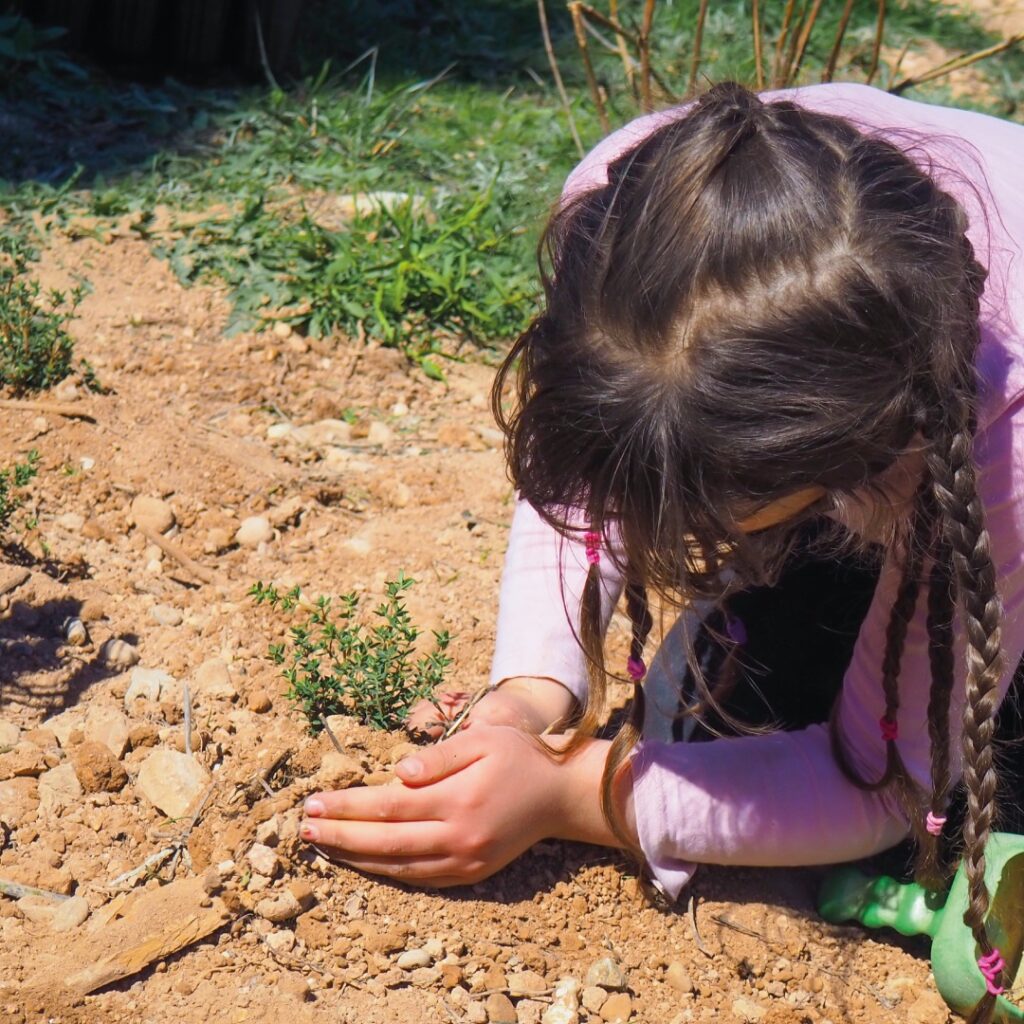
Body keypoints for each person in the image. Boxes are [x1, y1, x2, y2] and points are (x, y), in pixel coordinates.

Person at [299, 81, 1024, 1018]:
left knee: (955, 772)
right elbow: (591, 455)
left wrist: (576, 795)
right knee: (744, 701)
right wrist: (526, 694)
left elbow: (885, 779)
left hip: (984, 477)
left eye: (707, 514)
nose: (667, 543)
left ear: (855, 456)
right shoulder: (627, 210)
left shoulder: (997, 440)